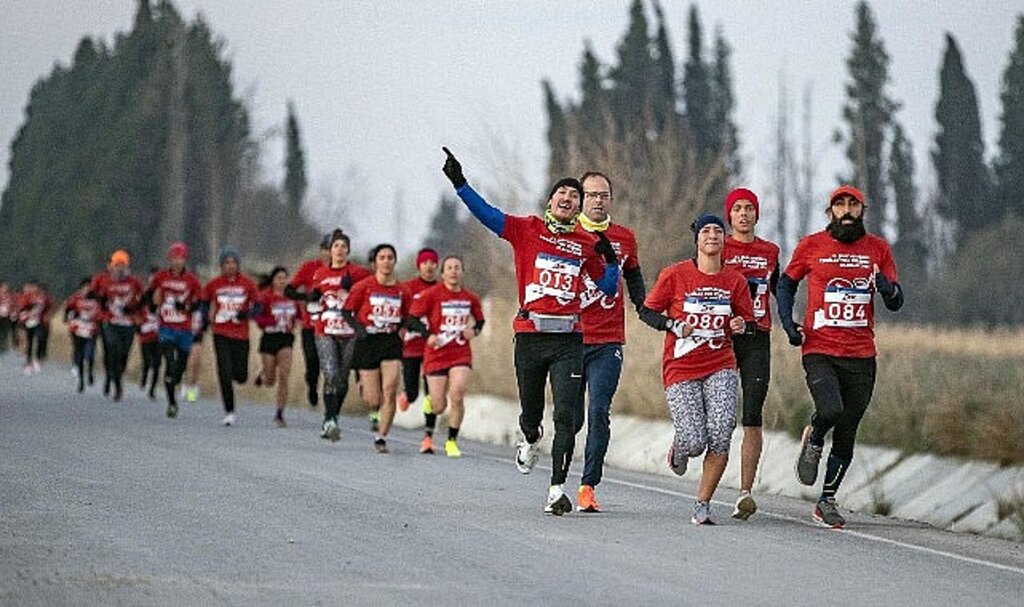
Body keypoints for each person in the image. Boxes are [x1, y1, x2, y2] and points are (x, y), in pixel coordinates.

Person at [441, 147, 620, 515]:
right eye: (563, 193)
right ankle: (529, 436)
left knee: (567, 416)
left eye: (576, 196)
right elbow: (488, 216)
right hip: (530, 336)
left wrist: (611, 261)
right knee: (532, 414)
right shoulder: (527, 229)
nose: (569, 199)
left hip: (569, 338)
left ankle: (556, 490)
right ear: (550, 200)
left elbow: (608, 288)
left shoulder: (585, 244)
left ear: (579, 206)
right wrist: (460, 184)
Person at [777, 185, 903, 529]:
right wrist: (788, 323)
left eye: (853, 205)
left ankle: (827, 500)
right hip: (820, 348)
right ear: (830, 211)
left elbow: (896, 300)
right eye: (840, 205)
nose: (846, 211)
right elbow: (786, 284)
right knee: (831, 409)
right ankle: (815, 437)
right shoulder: (811, 246)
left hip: (862, 354)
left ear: (862, 210)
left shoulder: (878, 249)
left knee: (848, 427)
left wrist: (887, 288)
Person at [640, 214, 756, 525]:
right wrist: (673, 324)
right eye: (706, 230)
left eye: (719, 231)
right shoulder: (675, 275)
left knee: (720, 432)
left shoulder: (735, 281)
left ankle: (702, 504)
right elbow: (647, 312)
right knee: (694, 440)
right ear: (697, 240)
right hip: (681, 367)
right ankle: (679, 448)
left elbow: (749, 323)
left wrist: (741, 324)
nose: (713, 235)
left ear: (724, 240)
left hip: (721, 364)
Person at [572, 171, 646, 513]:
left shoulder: (624, 238)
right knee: (571, 418)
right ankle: (556, 470)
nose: (599, 200)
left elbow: (635, 280)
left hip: (608, 340)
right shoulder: (568, 233)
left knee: (599, 411)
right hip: (570, 338)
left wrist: (647, 309)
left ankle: (588, 486)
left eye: (604, 195)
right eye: (592, 195)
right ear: (581, 198)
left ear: (610, 199)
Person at [721, 188, 780, 520]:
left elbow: (780, 289)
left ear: (757, 215)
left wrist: (789, 321)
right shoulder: (719, 245)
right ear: (729, 216)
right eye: (738, 209)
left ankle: (745, 493)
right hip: (724, 338)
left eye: (749, 208)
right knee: (722, 414)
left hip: (758, 338)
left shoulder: (770, 251)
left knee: (752, 412)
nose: (743, 214)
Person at [408, 255, 485, 457]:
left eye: (457, 267)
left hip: (460, 352)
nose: (453, 271)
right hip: (436, 353)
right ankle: (428, 431)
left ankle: (451, 441)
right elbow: (413, 319)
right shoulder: (431, 294)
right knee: (439, 405)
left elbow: (480, 321)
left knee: (457, 394)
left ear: (462, 272)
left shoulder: (470, 298)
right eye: (449, 268)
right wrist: (428, 335)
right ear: (443, 273)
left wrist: (474, 331)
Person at [343, 243, 413, 454]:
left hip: (390, 342)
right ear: (375, 263)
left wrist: (401, 329)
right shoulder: (363, 286)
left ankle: (381, 437)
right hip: (367, 342)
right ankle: (365, 387)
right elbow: (347, 312)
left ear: (394, 261)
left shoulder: (403, 290)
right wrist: (359, 329)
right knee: (373, 399)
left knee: (390, 389)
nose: (386, 261)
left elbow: (409, 315)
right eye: (382, 257)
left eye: (390, 257)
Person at [310, 229, 372, 441]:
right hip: (325, 330)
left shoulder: (359, 274)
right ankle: (328, 420)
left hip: (349, 331)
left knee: (343, 379)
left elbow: (371, 291)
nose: (339, 250)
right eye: (336, 246)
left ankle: (334, 416)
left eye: (343, 247)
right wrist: (313, 297)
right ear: (330, 251)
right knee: (331, 374)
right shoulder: (320, 274)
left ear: (348, 251)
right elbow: (314, 300)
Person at [203, 245, 259, 426]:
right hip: (220, 332)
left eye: (234, 262)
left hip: (241, 335)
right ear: (221, 265)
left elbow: (258, 307)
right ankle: (229, 411)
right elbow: (204, 303)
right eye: (227, 262)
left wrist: (247, 314)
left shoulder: (248, 283)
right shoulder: (214, 284)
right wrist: (205, 321)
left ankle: (238, 377)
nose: (230, 266)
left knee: (241, 375)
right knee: (224, 371)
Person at [149, 242, 203, 419]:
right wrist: (152, 305)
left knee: (180, 368)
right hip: (166, 327)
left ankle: (177, 380)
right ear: (169, 259)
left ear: (184, 259)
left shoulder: (192, 280)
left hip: (185, 329)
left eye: (180, 258)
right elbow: (149, 295)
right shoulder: (161, 277)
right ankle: (172, 403)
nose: (176, 262)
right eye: (173, 258)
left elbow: (198, 302)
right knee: (170, 364)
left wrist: (187, 306)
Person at [90, 249, 144, 401]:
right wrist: (101, 301)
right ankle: (115, 383)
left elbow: (144, 298)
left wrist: (134, 308)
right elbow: (93, 294)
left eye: (123, 265)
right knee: (111, 349)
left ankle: (115, 375)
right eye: (117, 265)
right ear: (111, 266)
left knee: (123, 355)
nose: (120, 269)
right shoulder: (104, 280)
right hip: (110, 321)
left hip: (128, 323)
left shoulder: (134, 282)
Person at [286, 234, 331, 407]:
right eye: (325, 249)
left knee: (329, 365)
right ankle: (312, 386)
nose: (328, 254)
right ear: (321, 251)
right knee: (312, 362)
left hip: (332, 328)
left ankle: (330, 401)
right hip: (310, 326)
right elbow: (289, 290)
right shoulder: (309, 268)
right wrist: (306, 297)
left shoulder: (344, 272)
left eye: (332, 249)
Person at [254, 266, 300, 427]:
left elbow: (301, 315)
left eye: (284, 278)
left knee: (284, 376)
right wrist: (270, 322)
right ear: (273, 281)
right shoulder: (265, 297)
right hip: (269, 338)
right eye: (279, 278)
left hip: (286, 339)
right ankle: (263, 374)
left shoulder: (292, 298)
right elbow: (257, 317)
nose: (282, 281)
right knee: (270, 381)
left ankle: (279, 414)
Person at [397, 247, 439, 420]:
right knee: (413, 393)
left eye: (432, 263)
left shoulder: (442, 288)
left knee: (431, 389)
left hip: (433, 346)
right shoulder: (408, 288)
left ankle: (428, 431)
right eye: (425, 263)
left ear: (437, 266)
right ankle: (407, 395)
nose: (428, 266)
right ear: (419, 266)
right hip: (411, 346)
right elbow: (399, 312)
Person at [63, 278, 101, 393]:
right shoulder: (75, 299)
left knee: (89, 354)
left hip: (92, 329)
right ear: (81, 289)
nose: (87, 290)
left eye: (89, 287)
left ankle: (89, 372)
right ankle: (81, 381)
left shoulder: (97, 300)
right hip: (77, 329)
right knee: (78, 352)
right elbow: (68, 309)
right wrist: (68, 318)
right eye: (85, 287)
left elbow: (102, 313)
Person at [16, 280, 52, 374]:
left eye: (36, 287)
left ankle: (37, 358)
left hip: (39, 322)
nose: (35, 289)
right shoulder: (27, 296)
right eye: (33, 287)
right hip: (28, 322)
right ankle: (28, 363)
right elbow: (21, 307)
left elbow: (49, 307)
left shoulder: (43, 297)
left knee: (40, 338)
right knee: (29, 342)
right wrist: (25, 314)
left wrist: (46, 315)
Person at [137, 269, 162, 399]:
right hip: (145, 335)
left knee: (157, 363)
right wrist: (138, 326)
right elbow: (136, 311)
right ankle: (144, 376)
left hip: (158, 336)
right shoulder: (144, 297)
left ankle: (152, 389)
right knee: (147, 361)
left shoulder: (164, 297)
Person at [0, 281, 14, 354]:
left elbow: (12, 305)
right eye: (4, 287)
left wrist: (12, 312)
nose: (5, 288)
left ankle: (3, 347)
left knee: (5, 332)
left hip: (6, 317)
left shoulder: (9, 296)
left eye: (6, 287)